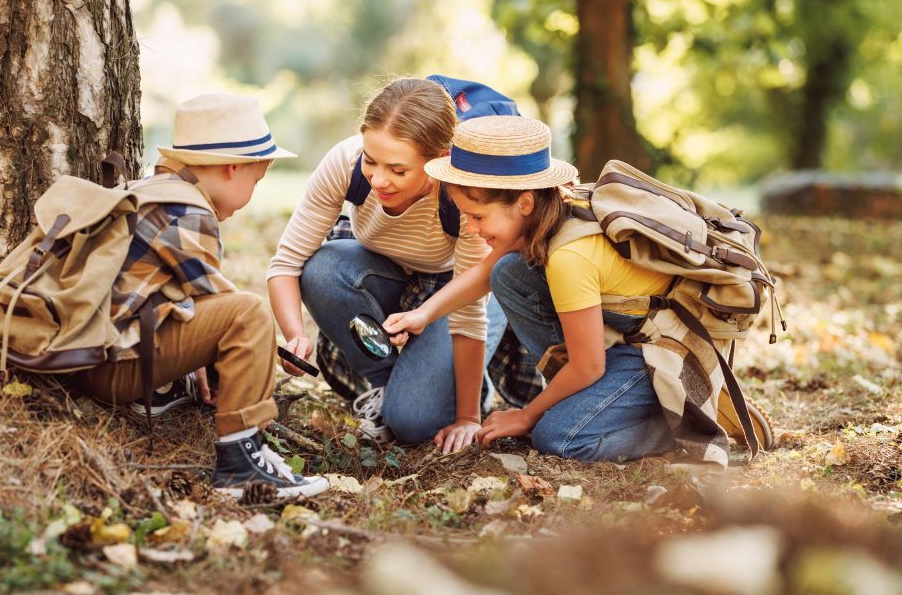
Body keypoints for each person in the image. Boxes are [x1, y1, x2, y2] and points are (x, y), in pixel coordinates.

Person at [70, 93, 329, 497]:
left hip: (87, 356)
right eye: (256, 181)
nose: (254, 192)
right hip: (112, 368)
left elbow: (184, 299)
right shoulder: (190, 213)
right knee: (249, 312)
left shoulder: (151, 189)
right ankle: (242, 464)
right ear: (231, 168)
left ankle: (166, 389)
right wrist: (264, 355)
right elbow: (224, 309)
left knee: (235, 314)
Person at [384, 115, 677, 461]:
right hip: (626, 342)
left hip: (666, 353)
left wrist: (527, 415)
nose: (471, 229)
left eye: (478, 216)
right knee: (508, 272)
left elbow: (588, 366)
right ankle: (583, 401)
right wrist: (422, 314)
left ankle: (680, 423)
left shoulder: (569, 257)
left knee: (557, 437)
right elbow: (484, 273)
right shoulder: (546, 213)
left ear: (524, 203)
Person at [267, 78, 510, 453]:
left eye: (398, 170)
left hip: (457, 292)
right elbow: (286, 263)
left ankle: (453, 388)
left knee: (412, 423)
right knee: (322, 268)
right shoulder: (345, 163)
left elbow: (469, 311)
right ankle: (388, 385)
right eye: (371, 160)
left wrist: (467, 417)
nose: (379, 179)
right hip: (387, 277)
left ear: (440, 160)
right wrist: (294, 335)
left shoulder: (463, 192)